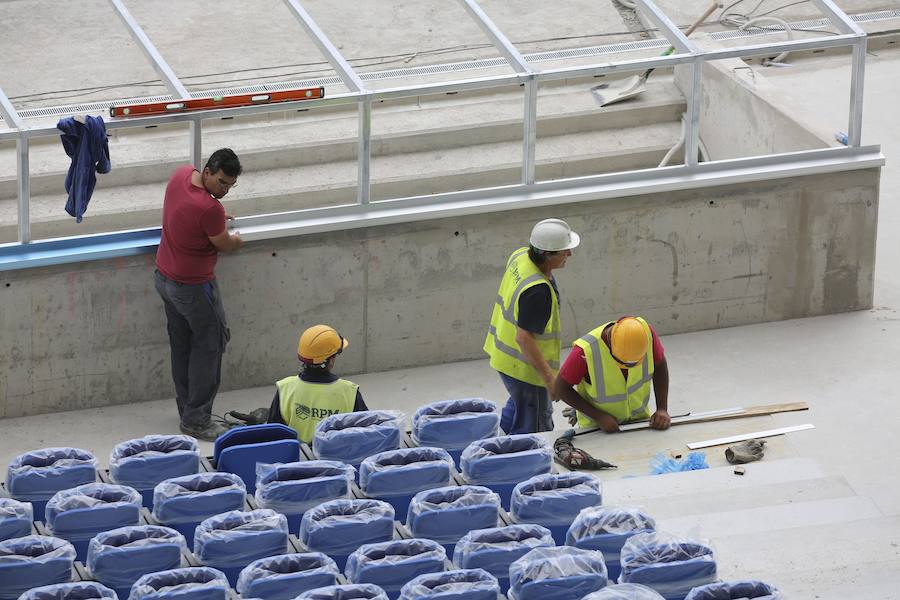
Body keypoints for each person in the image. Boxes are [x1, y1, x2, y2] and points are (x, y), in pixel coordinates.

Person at [154, 148, 244, 441]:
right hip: (192, 287)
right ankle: (197, 420)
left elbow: (194, 213)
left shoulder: (181, 175)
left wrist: (215, 214)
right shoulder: (209, 208)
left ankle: (187, 409)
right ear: (207, 172)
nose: (225, 190)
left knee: (181, 345)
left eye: (230, 185)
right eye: (221, 182)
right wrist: (235, 240)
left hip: (164, 278)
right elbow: (224, 244)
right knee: (210, 345)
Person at [483, 218, 580, 434]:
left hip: (505, 358)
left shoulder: (520, 256)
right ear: (547, 254)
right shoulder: (537, 291)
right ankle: (526, 464)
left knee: (519, 407)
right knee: (536, 430)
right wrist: (550, 381)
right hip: (526, 371)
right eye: (565, 251)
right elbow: (524, 338)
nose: (569, 255)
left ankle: (500, 440)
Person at [554, 316, 671, 433]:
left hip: (638, 422)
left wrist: (662, 409)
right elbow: (561, 388)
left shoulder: (646, 335)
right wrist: (598, 416)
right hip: (597, 428)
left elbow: (660, 365)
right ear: (610, 345)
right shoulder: (585, 352)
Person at [268, 324, 368, 443]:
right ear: (330, 361)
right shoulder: (349, 392)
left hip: (297, 458)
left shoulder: (285, 389)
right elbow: (365, 434)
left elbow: (273, 433)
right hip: (336, 459)